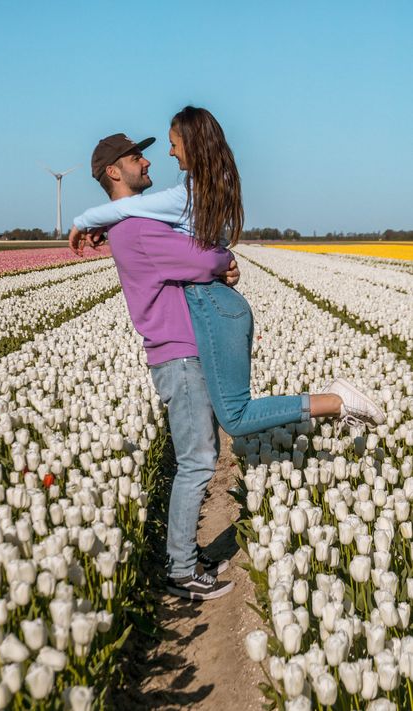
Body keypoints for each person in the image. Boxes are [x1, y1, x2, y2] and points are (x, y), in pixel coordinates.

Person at [69, 122, 385, 602]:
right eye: (137, 158)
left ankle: (184, 559)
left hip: (183, 347)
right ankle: (180, 570)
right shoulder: (134, 228)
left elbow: (200, 253)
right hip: (179, 352)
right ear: (114, 171)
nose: (148, 161)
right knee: (198, 460)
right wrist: (221, 259)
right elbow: (203, 259)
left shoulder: (132, 224)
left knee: (202, 452)